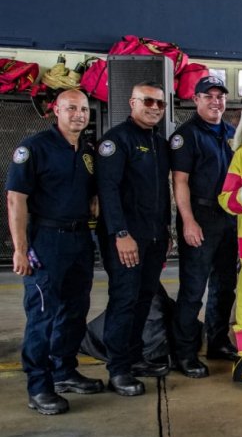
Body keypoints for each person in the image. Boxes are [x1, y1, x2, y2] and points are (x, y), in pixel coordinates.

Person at [7, 90, 103, 415]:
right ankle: (39, 387)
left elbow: (90, 191)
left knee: (76, 310)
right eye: (71, 108)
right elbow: (15, 200)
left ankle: (64, 372)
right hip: (46, 239)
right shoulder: (34, 148)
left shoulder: (87, 149)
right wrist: (21, 249)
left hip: (80, 240)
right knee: (43, 315)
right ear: (56, 111)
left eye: (84, 109)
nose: (79, 114)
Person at [96, 81, 172, 396]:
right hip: (126, 237)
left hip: (154, 236)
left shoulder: (159, 143)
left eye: (159, 103)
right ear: (132, 102)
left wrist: (167, 232)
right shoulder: (116, 141)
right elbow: (108, 190)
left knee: (144, 299)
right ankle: (118, 369)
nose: (154, 108)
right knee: (124, 300)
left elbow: (161, 193)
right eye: (147, 102)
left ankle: (135, 357)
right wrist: (120, 234)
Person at [169, 75, 238, 379]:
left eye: (220, 96)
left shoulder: (232, 133)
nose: (215, 101)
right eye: (207, 96)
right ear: (195, 100)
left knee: (225, 287)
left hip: (229, 218)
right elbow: (179, 181)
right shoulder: (186, 135)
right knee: (193, 289)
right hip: (200, 215)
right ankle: (184, 353)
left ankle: (218, 341)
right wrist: (187, 221)